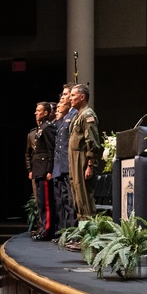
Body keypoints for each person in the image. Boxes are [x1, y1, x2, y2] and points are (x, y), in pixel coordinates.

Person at [67, 83, 102, 221]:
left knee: (85, 196)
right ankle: (82, 229)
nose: (70, 98)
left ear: (82, 97)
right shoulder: (78, 115)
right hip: (74, 158)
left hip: (82, 159)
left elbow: (92, 141)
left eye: (73, 95)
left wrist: (90, 164)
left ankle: (89, 229)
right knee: (77, 195)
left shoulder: (88, 115)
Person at [28, 101, 57, 240]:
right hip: (38, 169)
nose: (36, 113)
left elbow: (51, 150)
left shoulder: (47, 127)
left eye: (38, 110)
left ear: (45, 113)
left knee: (46, 203)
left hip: (44, 169)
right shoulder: (40, 128)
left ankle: (47, 231)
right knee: (41, 202)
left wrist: (49, 170)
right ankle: (43, 229)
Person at [51, 85, 78, 232]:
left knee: (70, 201)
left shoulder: (74, 115)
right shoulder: (65, 117)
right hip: (60, 166)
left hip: (68, 165)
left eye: (67, 94)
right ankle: (64, 231)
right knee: (61, 201)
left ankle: (71, 232)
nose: (63, 97)